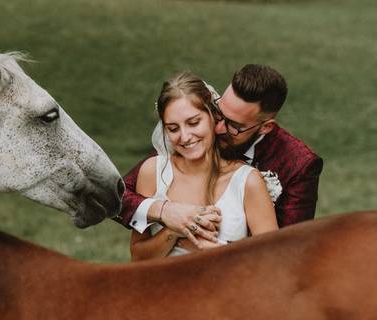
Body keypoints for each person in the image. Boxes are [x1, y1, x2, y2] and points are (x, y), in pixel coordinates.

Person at [119, 64, 322, 251]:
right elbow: (120, 197)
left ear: (265, 127)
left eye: (234, 125)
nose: (219, 127)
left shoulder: (298, 164)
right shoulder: (193, 138)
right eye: (218, 113)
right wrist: (167, 213)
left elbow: (288, 250)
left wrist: (205, 246)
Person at [129, 71, 278, 260]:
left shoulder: (247, 181)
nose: (184, 137)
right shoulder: (152, 171)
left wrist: (211, 250)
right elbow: (138, 259)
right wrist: (173, 231)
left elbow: (273, 261)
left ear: (213, 117)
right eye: (173, 128)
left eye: (193, 123)